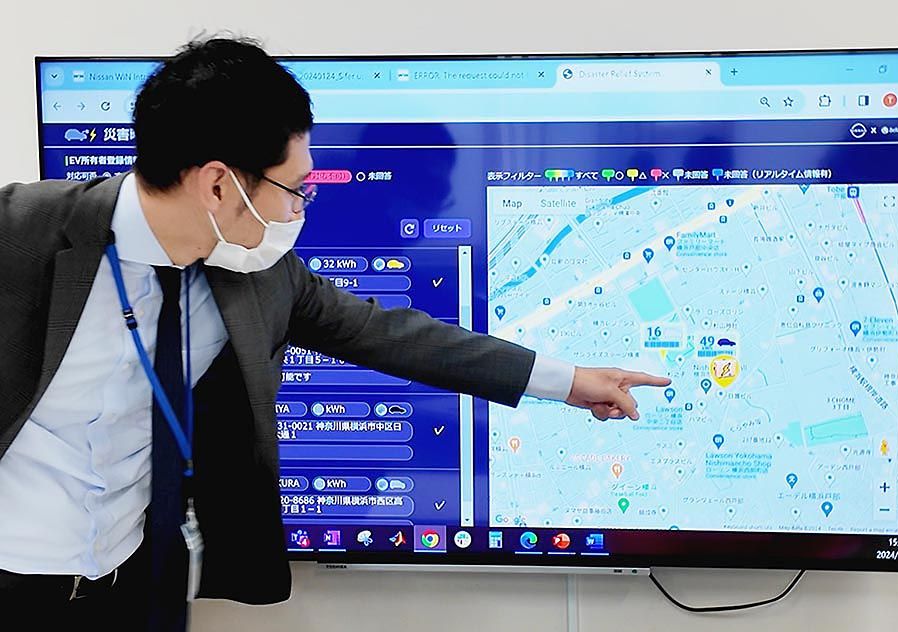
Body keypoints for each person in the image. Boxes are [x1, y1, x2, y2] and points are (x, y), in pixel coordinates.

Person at [0, 37, 670, 630]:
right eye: (295, 188)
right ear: (218, 185)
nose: (301, 207)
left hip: (132, 583)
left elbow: (392, 335)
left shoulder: (256, 273)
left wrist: (569, 382)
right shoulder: (17, 236)